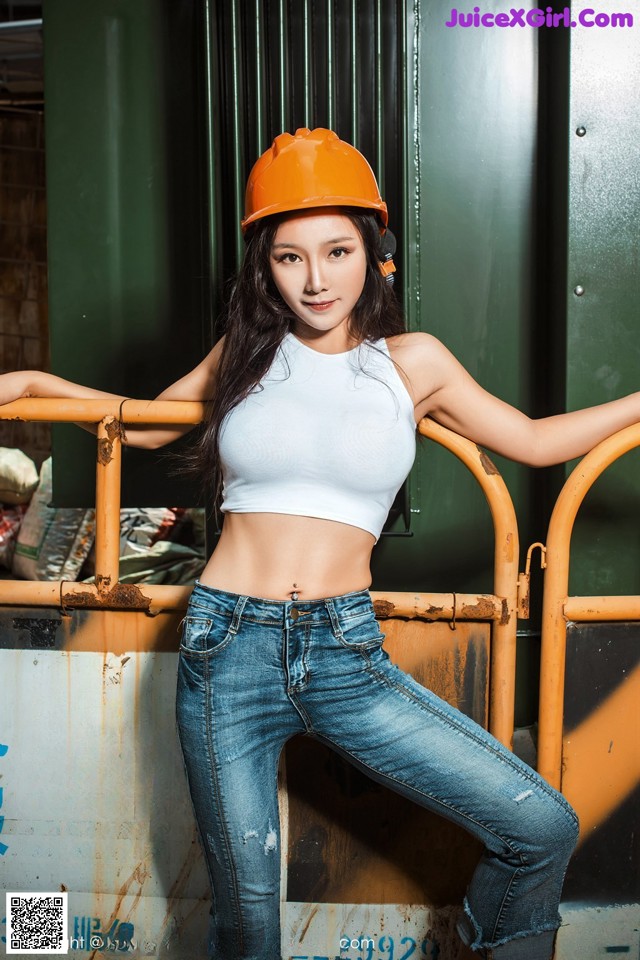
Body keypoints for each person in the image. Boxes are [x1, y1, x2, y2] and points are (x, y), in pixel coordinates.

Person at [3, 127, 639, 960]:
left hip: (344, 651)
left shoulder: (415, 364)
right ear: (264, 267)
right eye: (289, 257)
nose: (315, 279)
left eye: (337, 251)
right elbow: (141, 424)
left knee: (540, 825)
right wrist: (29, 385)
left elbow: (534, 440)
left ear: (374, 253)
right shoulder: (245, 355)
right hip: (225, 648)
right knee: (250, 926)